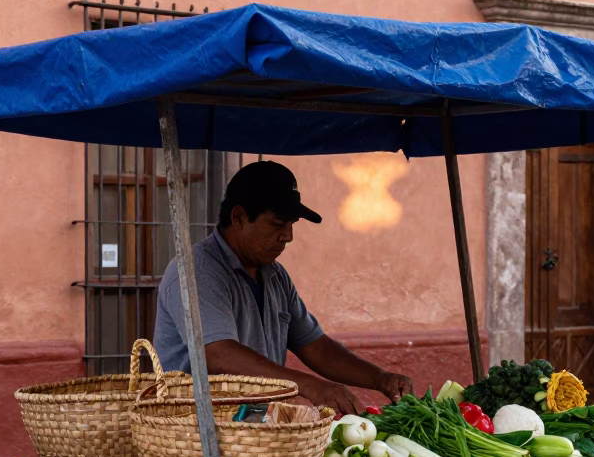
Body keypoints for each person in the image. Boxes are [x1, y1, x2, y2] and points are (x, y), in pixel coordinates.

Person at [153, 160, 412, 415]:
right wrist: (309, 385)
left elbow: (316, 346)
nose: (288, 236)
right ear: (239, 217)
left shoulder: (275, 275)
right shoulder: (196, 271)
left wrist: (380, 378)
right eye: (277, 224)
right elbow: (218, 354)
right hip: (195, 433)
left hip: (259, 429)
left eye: (292, 225)